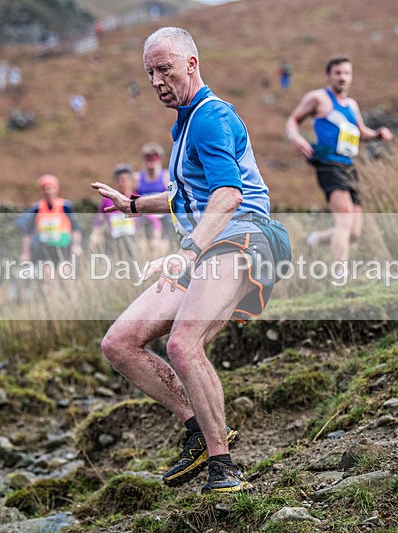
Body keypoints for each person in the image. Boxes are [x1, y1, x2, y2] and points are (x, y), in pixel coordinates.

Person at [92, 26, 286, 494]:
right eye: (150, 72)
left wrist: (187, 252)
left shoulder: (210, 117)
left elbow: (227, 195)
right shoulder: (184, 122)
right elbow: (186, 195)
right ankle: (198, 427)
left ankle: (224, 468)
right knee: (119, 342)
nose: (157, 80)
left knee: (183, 344)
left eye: (165, 68)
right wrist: (133, 205)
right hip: (210, 244)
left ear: (192, 64)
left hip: (245, 237)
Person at [285, 55, 393, 263]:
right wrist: (296, 138)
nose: (342, 77)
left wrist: (378, 134)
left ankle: (314, 239)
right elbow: (293, 119)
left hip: (349, 166)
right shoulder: (319, 98)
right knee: (343, 223)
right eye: (338, 73)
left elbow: (360, 132)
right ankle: (339, 277)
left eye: (346, 73)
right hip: (329, 164)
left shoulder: (352, 105)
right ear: (328, 76)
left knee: (354, 232)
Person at [16, 174, 82, 280]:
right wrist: (25, 253)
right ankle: (51, 296)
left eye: (50, 188)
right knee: (48, 276)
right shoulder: (36, 208)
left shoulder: (65, 206)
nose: (48, 191)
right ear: (40, 191)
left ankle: (65, 296)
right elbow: (27, 232)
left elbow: (75, 229)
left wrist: (76, 245)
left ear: (56, 189)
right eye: (44, 188)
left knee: (64, 274)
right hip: (44, 249)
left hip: (63, 247)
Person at [89, 164, 139, 259]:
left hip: (133, 240)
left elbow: (148, 220)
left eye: (124, 180)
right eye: (118, 180)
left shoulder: (137, 199)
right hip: (113, 241)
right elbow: (99, 220)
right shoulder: (108, 200)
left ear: (131, 182)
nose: (121, 183)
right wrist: (95, 236)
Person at [136, 142, 171, 254]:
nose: (150, 162)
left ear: (160, 159)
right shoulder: (137, 177)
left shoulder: (166, 176)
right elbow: (132, 196)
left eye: (154, 158)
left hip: (163, 218)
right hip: (144, 218)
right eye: (148, 158)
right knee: (142, 248)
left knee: (160, 248)